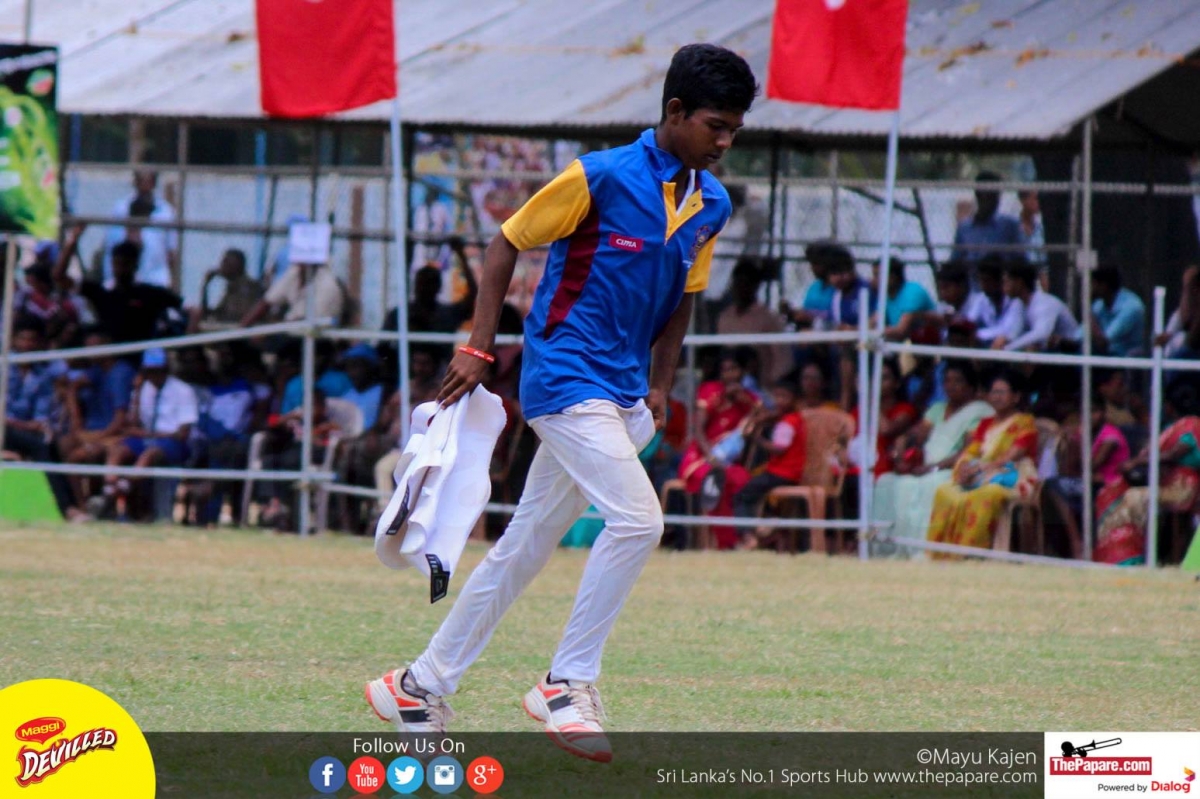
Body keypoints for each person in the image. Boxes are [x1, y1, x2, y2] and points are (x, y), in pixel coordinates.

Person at [364, 43, 758, 759]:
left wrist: (662, 383)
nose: (725, 142)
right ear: (674, 112)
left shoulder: (713, 205)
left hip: (624, 395)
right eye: (715, 126)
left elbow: (684, 298)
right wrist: (478, 347)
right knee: (639, 522)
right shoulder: (599, 176)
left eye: (735, 129)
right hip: (564, 379)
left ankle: (417, 684)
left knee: (525, 546)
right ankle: (565, 685)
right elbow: (505, 242)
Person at [873, 361, 994, 555]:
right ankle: (884, 548)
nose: (951, 386)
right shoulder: (938, 408)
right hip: (925, 466)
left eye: (958, 381)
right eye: (947, 381)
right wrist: (902, 450)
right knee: (885, 481)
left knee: (927, 485)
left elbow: (968, 452)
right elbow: (916, 434)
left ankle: (920, 550)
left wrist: (934, 467)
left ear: (971, 386)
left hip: (951, 469)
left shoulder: (980, 410)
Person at [926, 370, 1039, 555]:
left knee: (986, 494)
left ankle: (970, 554)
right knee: (944, 491)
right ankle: (941, 553)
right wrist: (964, 467)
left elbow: (1013, 454)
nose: (996, 397)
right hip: (982, 474)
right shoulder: (986, 423)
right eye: (993, 392)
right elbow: (971, 451)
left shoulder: (1025, 422)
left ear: (1016, 397)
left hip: (1014, 476)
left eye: (1002, 392)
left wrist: (983, 467)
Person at [1094, 386, 1200, 565]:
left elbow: (1173, 454)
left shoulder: (1192, 425)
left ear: (1169, 406)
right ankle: (1118, 554)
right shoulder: (1171, 427)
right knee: (1110, 492)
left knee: (1135, 498)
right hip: (1166, 482)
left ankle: (1132, 554)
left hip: (1183, 488)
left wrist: (1137, 462)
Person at [100, 349, 198, 521]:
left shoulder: (183, 390)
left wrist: (150, 434)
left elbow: (182, 434)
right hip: (149, 438)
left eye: (157, 370)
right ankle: (110, 488)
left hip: (172, 444)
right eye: (149, 371)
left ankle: (115, 493)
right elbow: (133, 425)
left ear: (166, 369)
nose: (154, 375)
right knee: (117, 450)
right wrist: (137, 392)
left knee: (149, 454)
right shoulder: (144, 389)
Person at [675, 352, 759, 549]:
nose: (729, 374)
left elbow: (765, 415)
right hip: (701, 458)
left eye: (733, 369)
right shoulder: (710, 391)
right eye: (725, 370)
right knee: (715, 479)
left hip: (727, 462)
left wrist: (743, 399)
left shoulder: (747, 397)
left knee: (742, 479)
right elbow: (698, 429)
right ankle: (728, 543)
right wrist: (711, 456)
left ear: (742, 371)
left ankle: (744, 535)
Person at [55, 226, 184, 345]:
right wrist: (73, 240)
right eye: (117, 264)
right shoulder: (103, 293)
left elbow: (181, 305)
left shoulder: (149, 294)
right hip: (107, 355)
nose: (120, 269)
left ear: (135, 265)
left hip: (136, 355)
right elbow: (59, 276)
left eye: (125, 264)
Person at [4, 319, 76, 516]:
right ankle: (67, 508)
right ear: (13, 341)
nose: (27, 344)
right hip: (8, 430)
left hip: (21, 430)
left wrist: (31, 426)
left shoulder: (42, 376)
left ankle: (72, 506)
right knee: (39, 445)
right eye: (22, 339)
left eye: (31, 340)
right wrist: (26, 425)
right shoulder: (3, 368)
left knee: (51, 444)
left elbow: (40, 417)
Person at [1044, 396, 1129, 559]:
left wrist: (1081, 441)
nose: (1090, 417)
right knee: (1050, 488)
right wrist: (1070, 442)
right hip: (1088, 483)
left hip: (1109, 484)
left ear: (1103, 413)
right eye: (1085, 413)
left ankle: (1077, 543)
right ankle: (1068, 544)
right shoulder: (1082, 433)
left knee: (1055, 487)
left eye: (1094, 412)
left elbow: (1092, 466)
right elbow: (1068, 469)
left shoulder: (1110, 435)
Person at [731, 379, 807, 546]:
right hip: (788, 472)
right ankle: (761, 529)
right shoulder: (792, 418)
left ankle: (747, 535)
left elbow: (778, 449)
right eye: (777, 396)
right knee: (754, 489)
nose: (779, 401)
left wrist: (757, 439)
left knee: (743, 495)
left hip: (783, 473)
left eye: (784, 397)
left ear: (795, 400)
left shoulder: (788, 422)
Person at [717, 257, 790, 384]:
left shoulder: (768, 318)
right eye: (737, 283)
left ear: (755, 286)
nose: (740, 288)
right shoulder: (725, 317)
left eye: (745, 283)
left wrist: (772, 385)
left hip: (761, 386)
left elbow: (782, 359)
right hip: (727, 385)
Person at [102, 169, 179, 289]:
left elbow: (171, 252)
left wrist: (173, 283)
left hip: (156, 282)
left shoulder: (166, 212)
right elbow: (110, 246)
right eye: (141, 179)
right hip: (124, 284)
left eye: (149, 179)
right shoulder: (121, 208)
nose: (145, 183)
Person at [996, 260, 1082, 352]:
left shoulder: (1045, 303)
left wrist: (1008, 348)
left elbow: (1041, 334)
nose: (1004, 286)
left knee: (1031, 348)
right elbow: (1014, 331)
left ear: (1019, 282)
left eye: (1007, 281)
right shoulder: (1019, 303)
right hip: (1050, 352)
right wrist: (1005, 341)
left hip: (1073, 352)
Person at [240, 262, 345, 327]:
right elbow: (267, 302)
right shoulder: (295, 272)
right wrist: (242, 328)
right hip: (290, 331)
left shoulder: (328, 285)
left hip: (318, 337)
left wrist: (273, 328)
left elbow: (311, 321)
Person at [951, 171, 1022, 268]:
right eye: (990, 195)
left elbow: (1021, 260)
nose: (996, 200)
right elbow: (955, 262)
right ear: (978, 194)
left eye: (997, 195)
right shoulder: (964, 228)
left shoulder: (1009, 226)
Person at [873, 258, 937, 341]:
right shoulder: (884, 295)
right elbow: (874, 321)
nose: (873, 280)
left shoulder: (913, 291)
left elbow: (901, 331)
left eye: (877, 275)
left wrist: (872, 332)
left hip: (927, 343)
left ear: (892, 277)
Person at [1090, 266, 1146, 357]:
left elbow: (1102, 342)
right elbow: (1079, 338)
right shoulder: (1099, 305)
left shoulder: (1131, 307)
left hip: (1127, 359)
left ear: (1103, 285)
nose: (1089, 288)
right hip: (1106, 357)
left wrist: (1087, 311)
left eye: (1092, 283)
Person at [199, 249, 263, 327]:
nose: (221, 266)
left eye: (225, 262)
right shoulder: (232, 286)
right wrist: (205, 287)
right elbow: (210, 314)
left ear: (236, 265)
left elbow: (237, 316)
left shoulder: (248, 287)